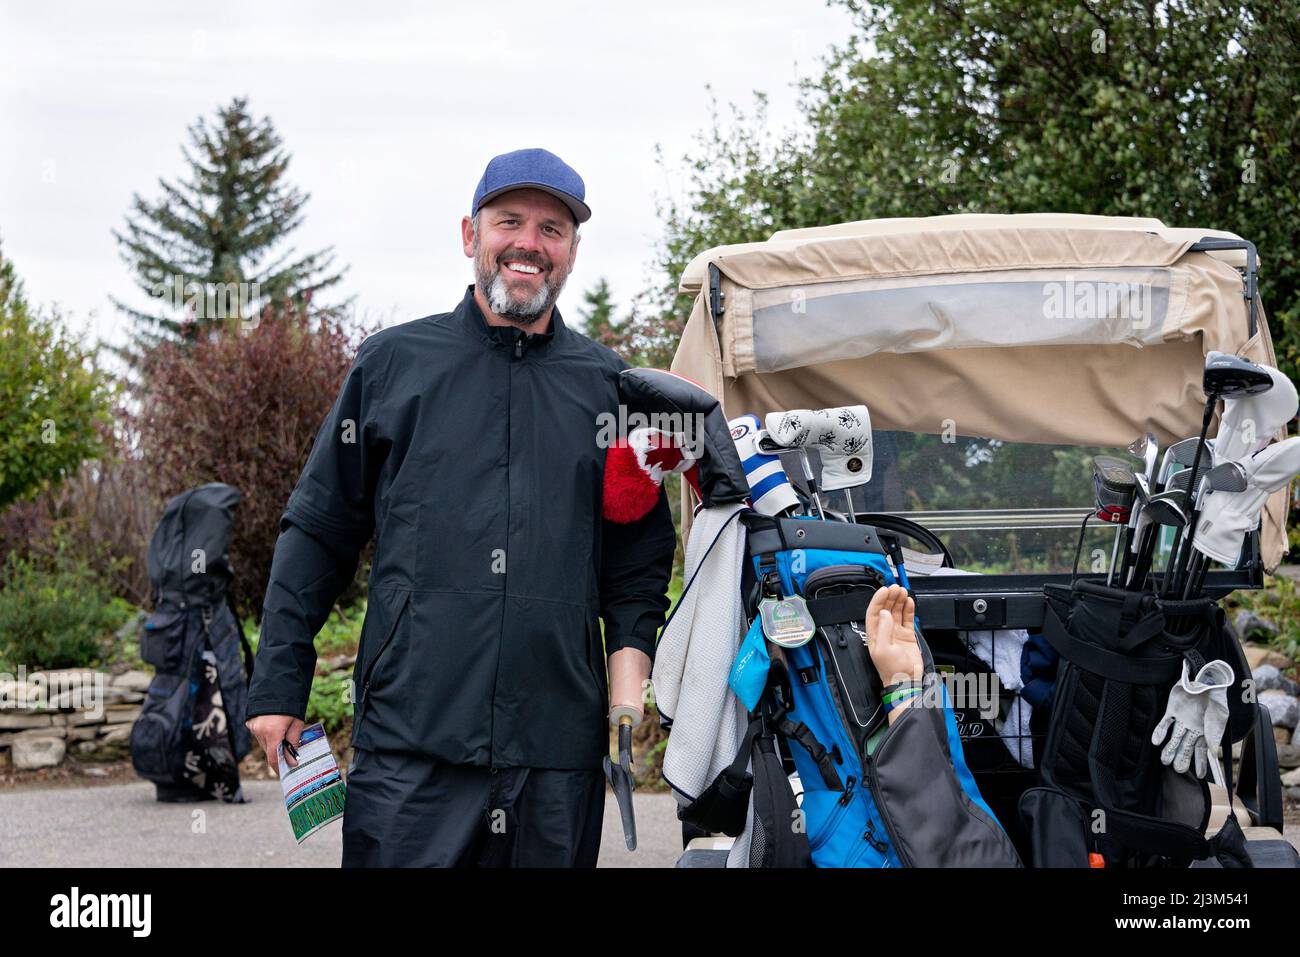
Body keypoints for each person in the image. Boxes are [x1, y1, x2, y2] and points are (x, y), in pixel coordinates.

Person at [244, 148, 678, 867]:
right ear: (471, 235)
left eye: (552, 228)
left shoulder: (613, 390)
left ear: (571, 251)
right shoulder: (392, 367)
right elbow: (319, 531)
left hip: (554, 757)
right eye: (510, 220)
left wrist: (629, 684)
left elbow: (636, 561)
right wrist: (279, 679)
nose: (529, 243)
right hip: (411, 746)